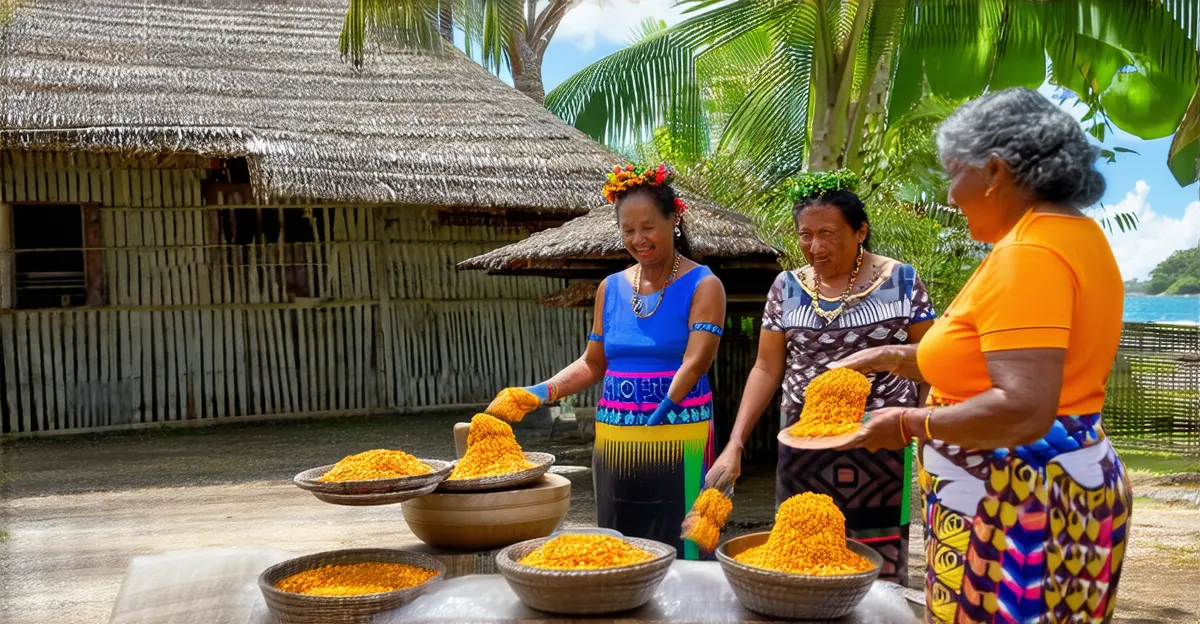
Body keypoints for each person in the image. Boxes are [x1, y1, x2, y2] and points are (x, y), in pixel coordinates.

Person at [832, 88, 1131, 624]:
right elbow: (987, 356)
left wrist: (903, 423)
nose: (950, 195)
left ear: (994, 171)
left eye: (953, 174)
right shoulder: (1073, 236)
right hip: (1051, 485)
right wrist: (893, 358)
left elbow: (1023, 407)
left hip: (1017, 504)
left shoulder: (1030, 254)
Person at [705, 169, 936, 585]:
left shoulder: (902, 280)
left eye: (828, 233)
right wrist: (734, 444)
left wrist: (923, 430)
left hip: (880, 439)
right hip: (803, 443)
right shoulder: (786, 287)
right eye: (805, 235)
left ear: (860, 230)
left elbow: (931, 361)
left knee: (876, 561)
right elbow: (766, 367)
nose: (815, 247)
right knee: (801, 552)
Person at [490, 163, 726, 560]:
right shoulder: (610, 288)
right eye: (628, 230)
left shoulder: (704, 284)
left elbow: (697, 361)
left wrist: (666, 404)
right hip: (616, 443)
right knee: (621, 549)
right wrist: (541, 391)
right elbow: (593, 363)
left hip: (679, 436)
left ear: (675, 218)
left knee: (683, 549)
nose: (638, 239)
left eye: (648, 227)